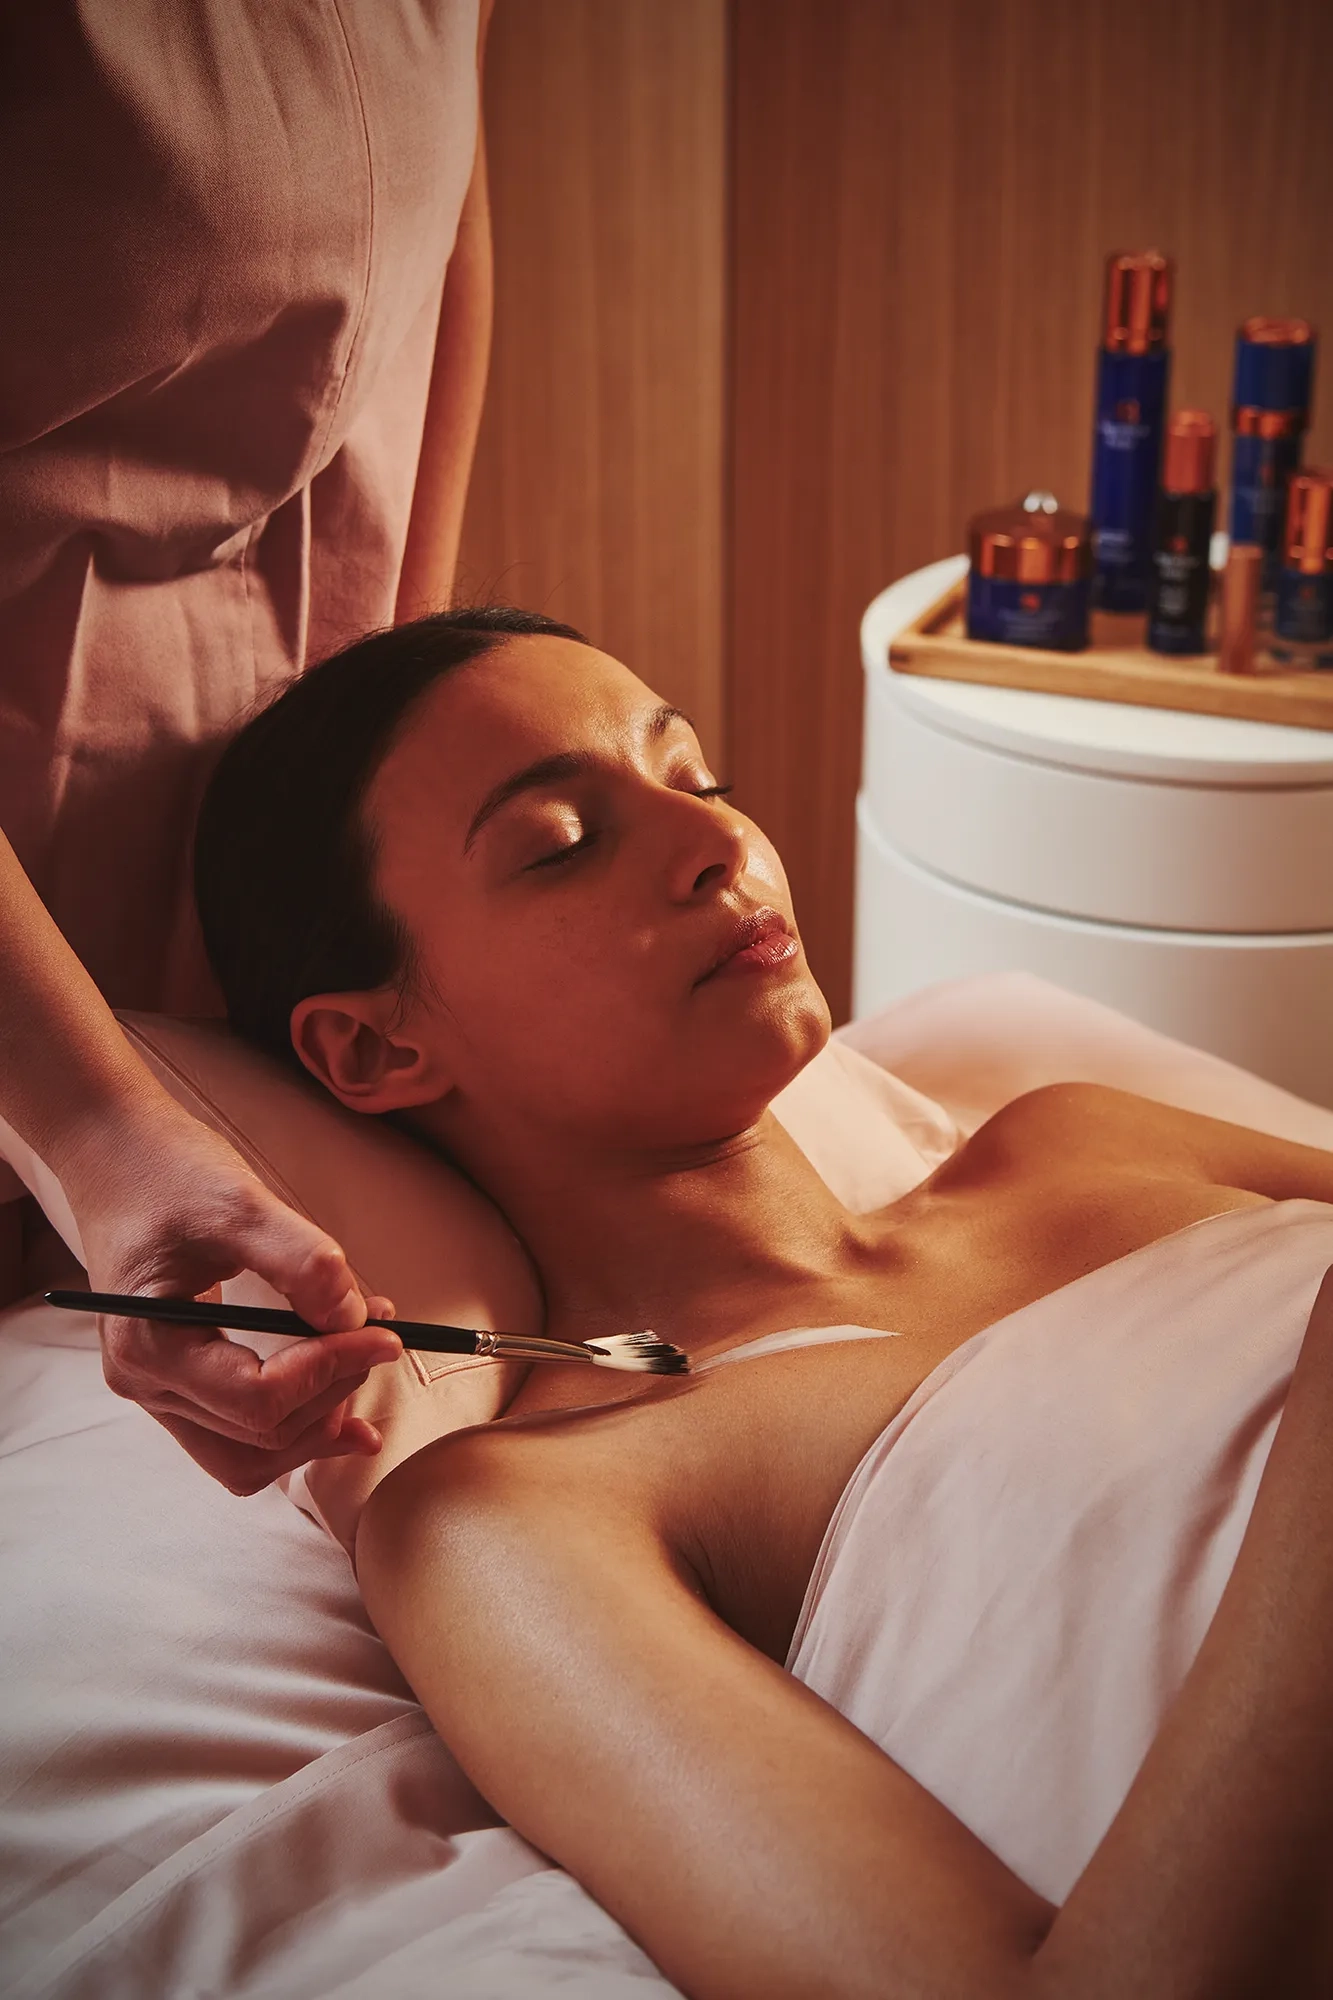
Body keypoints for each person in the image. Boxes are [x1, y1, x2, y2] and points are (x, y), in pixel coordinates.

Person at [191, 606, 1333, 1996]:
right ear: (374, 1043)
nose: (717, 844)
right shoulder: (519, 1516)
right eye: (562, 844)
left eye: (696, 776)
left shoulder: (1092, 1140)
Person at [0, 1, 496, 1488]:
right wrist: (92, 1124)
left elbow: (446, 241)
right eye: (558, 835)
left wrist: (388, 733)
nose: (732, 852)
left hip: (244, 899)